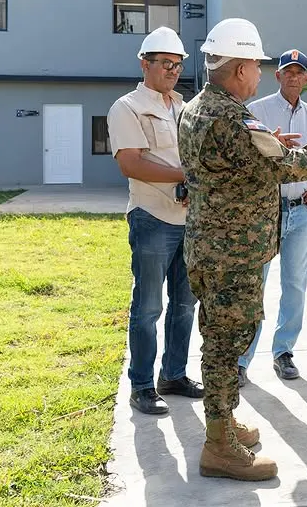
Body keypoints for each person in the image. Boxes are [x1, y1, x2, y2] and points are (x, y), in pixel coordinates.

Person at [177, 18, 307, 481]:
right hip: (232, 254)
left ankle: (222, 421)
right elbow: (291, 166)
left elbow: (245, 158)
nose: (260, 76)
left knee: (221, 337)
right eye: (256, 67)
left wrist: (269, 146)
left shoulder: (198, 108)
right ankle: (220, 446)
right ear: (241, 67)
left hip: (212, 245)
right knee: (227, 344)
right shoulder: (230, 115)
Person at [106, 26, 203, 415]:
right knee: (148, 308)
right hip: (152, 219)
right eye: (165, 63)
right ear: (144, 63)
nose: (172, 70)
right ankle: (142, 385)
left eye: (178, 65)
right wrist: (185, 176)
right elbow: (131, 162)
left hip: (187, 219)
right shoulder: (126, 107)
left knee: (184, 305)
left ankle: (174, 375)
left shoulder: (183, 108)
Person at [238, 49, 307, 383]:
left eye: (300, 72)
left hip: (302, 211)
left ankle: (283, 352)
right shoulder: (256, 110)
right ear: (277, 76)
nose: (294, 77)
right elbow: (243, 159)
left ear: (306, 78)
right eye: (288, 72)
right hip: (265, 212)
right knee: (255, 285)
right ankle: (241, 359)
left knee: (294, 283)